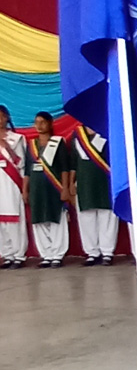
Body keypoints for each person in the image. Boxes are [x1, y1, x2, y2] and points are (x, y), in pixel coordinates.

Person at [23, 112, 70, 268]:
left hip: (54, 188)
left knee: (56, 220)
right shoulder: (31, 145)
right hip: (36, 189)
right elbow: (27, 171)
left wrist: (65, 188)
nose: (39, 125)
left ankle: (57, 254)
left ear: (50, 124)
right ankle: (46, 254)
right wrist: (25, 190)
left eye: (43, 122)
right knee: (39, 221)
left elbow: (65, 168)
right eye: (37, 122)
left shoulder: (58, 143)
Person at [70, 124, 118, 266]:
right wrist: (71, 183)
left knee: (107, 216)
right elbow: (74, 161)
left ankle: (107, 252)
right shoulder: (77, 135)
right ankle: (92, 252)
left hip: (105, 180)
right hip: (84, 182)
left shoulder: (106, 131)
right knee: (86, 218)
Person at [0, 105, 28, 269]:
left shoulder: (17, 139)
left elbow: (22, 163)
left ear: (7, 118)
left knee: (14, 220)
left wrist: (6, 147)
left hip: (12, 183)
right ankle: (7, 254)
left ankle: (18, 255)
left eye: (1, 116)